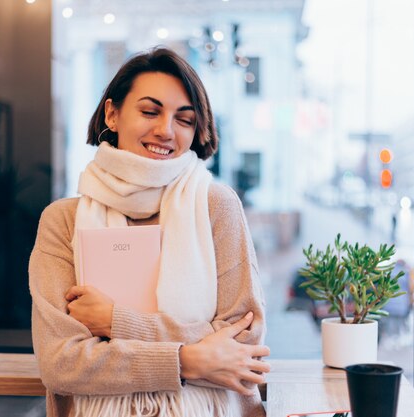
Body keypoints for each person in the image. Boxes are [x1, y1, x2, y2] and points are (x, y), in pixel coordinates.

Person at [29, 47, 270, 417]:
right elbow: (62, 362)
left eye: (185, 119)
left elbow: (243, 343)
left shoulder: (216, 206)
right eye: (150, 111)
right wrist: (189, 360)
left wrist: (116, 322)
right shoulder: (63, 221)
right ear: (113, 113)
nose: (166, 130)